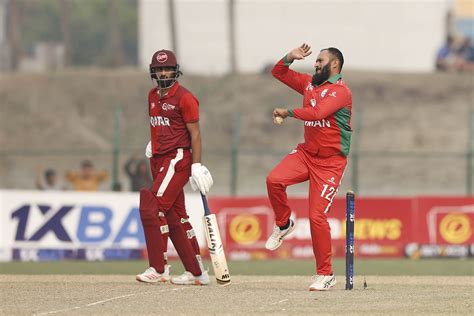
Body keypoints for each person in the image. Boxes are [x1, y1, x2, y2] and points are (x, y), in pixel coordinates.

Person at [265, 43, 352, 291]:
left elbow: (317, 113)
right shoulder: (308, 84)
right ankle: (284, 224)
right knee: (274, 180)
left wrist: (288, 111)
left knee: (316, 216)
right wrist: (289, 57)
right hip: (306, 154)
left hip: (330, 163)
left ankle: (325, 275)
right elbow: (278, 73)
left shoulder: (341, 92)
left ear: (334, 65)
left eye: (320, 61)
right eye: (315, 61)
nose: (315, 64)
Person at [135, 49, 213, 285]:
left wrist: (196, 165)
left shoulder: (185, 97)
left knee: (152, 206)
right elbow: (163, 125)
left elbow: (195, 135)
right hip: (159, 158)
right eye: (158, 69)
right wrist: (155, 142)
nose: (163, 73)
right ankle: (196, 272)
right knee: (175, 216)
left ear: (175, 70)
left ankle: (158, 268)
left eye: (167, 68)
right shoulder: (152, 96)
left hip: (177, 157)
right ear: (152, 71)